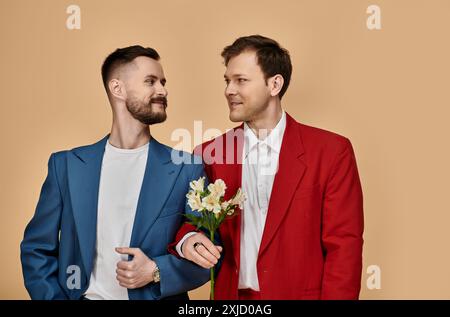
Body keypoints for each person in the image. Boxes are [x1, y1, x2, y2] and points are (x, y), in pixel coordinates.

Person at [169, 35, 364, 300]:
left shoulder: (331, 151)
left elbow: (344, 246)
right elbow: (189, 224)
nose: (229, 90)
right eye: (227, 81)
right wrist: (187, 240)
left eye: (241, 80)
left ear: (275, 84)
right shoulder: (208, 154)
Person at [20, 45, 209, 300]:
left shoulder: (187, 169)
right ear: (117, 88)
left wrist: (156, 271)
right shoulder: (66, 165)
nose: (162, 90)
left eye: (163, 82)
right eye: (150, 81)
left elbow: (208, 255)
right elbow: (37, 249)